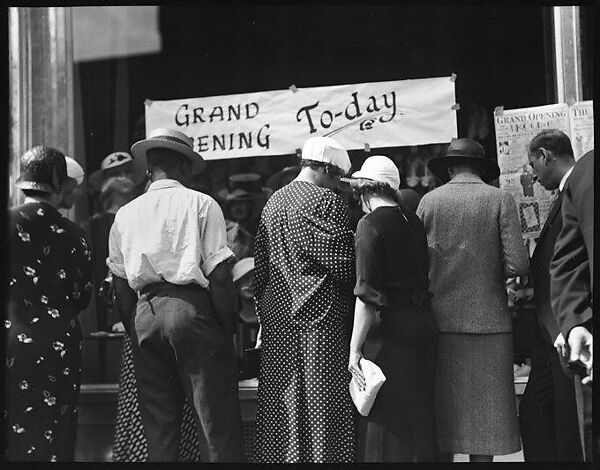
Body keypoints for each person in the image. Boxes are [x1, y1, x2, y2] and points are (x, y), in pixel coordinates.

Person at [107, 127, 244, 462]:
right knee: (215, 425)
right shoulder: (201, 203)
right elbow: (221, 277)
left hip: (146, 315)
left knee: (159, 430)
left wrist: (137, 327)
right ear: (184, 167)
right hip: (193, 311)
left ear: (149, 169)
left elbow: (120, 287)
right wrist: (227, 328)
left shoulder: (125, 215)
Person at [416, 138, 529, 463]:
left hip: (441, 323)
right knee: (486, 426)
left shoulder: (429, 202)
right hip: (489, 324)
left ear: (449, 168)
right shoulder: (499, 200)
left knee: (444, 419)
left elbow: (417, 263)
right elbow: (518, 265)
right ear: (481, 168)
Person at [253, 136, 356, 463]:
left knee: (282, 409)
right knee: (321, 409)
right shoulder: (327, 200)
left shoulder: (274, 201)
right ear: (326, 168)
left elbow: (261, 268)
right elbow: (344, 264)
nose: (340, 185)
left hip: (278, 319)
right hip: (319, 320)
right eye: (339, 176)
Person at [345, 156, 438, 462]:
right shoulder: (412, 220)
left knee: (384, 422)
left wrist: (355, 351)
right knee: (418, 416)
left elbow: (366, 294)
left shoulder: (368, 224)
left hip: (390, 334)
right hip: (422, 325)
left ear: (365, 190)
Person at [5, 146, 93, 461]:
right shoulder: (75, 234)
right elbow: (82, 296)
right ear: (58, 182)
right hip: (59, 342)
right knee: (57, 429)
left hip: (12, 335)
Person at [518, 129, 582, 461]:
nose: (533, 173)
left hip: (562, 327)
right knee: (535, 414)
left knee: (565, 419)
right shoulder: (563, 194)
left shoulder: (577, 190)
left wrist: (565, 325)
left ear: (546, 156)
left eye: (533, 164)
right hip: (550, 330)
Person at [550, 149, 594, 461]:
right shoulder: (586, 172)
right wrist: (576, 321)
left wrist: (576, 320)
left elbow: (567, 261)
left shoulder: (584, 171)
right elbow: (569, 261)